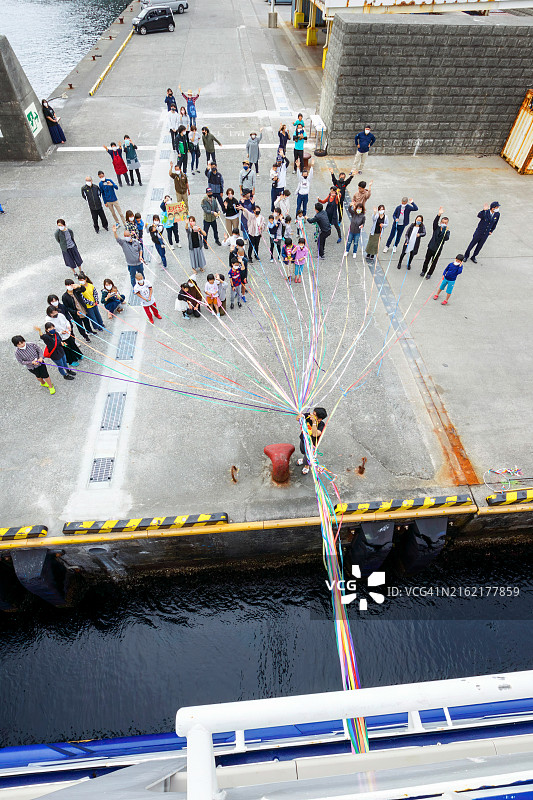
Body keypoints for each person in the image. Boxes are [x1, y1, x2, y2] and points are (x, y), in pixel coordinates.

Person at [420, 208, 450, 278]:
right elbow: (434, 222)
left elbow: (446, 238)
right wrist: (439, 214)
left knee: (433, 263)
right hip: (431, 247)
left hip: (437, 250)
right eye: (443, 222)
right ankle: (424, 271)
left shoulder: (447, 231)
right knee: (426, 260)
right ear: (441, 222)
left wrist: (445, 230)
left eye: (445, 223)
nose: (444, 224)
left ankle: (429, 273)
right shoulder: (436, 228)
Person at [297, 407, 327, 475]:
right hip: (303, 439)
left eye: (314, 415)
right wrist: (299, 417)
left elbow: (314, 434)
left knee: (309, 456)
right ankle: (303, 460)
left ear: (319, 419)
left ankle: (306, 466)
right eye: (312, 413)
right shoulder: (308, 416)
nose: (311, 415)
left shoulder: (321, 425)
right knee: (303, 451)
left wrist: (314, 422)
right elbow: (297, 419)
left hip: (311, 445)